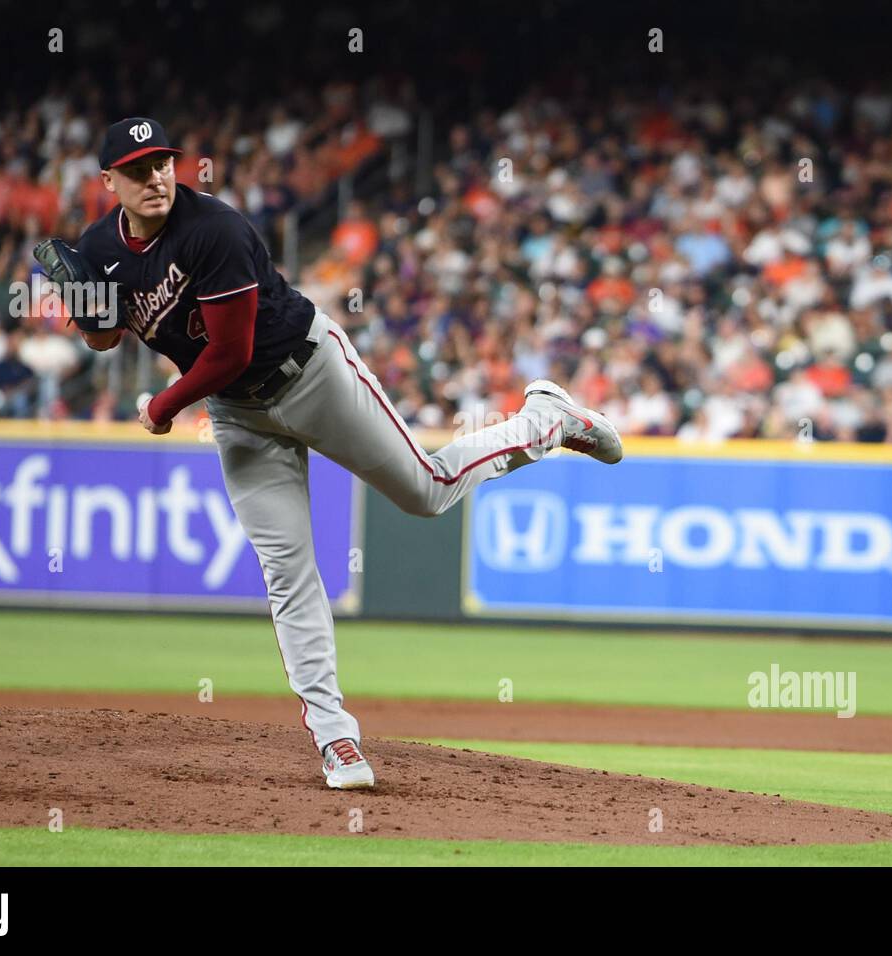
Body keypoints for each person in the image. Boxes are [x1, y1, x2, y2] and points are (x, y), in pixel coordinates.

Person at [35, 118, 623, 790]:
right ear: (108, 181)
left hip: (311, 373)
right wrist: (87, 311)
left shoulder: (214, 230)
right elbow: (107, 340)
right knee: (287, 570)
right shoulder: (96, 249)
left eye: (163, 163)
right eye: (138, 170)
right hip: (240, 417)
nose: (157, 178)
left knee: (426, 491)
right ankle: (334, 736)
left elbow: (227, 352)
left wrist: (163, 406)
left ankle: (544, 420)